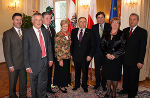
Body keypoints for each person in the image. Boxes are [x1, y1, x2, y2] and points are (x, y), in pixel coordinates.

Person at [24, 12, 53, 98]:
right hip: (33, 64)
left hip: (45, 61)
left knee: (43, 83)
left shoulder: (45, 31)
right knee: (34, 84)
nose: (39, 22)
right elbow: (25, 51)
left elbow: (48, 46)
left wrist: (50, 59)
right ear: (32, 21)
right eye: (36, 20)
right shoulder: (27, 33)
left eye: (40, 20)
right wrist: (27, 66)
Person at [118, 13, 147, 98]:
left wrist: (140, 61)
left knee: (133, 77)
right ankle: (125, 89)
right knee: (126, 76)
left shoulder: (142, 32)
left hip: (135, 60)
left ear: (137, 21)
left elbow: (143, 48)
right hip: (125, 59)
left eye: (134, 19)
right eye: (130, 19)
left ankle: (132, 93)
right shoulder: (125, 30)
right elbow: (121, 45)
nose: (131, 21)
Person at [3, 13, 27, 98]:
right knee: (12, 83)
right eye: (17, 20)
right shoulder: (7, 33)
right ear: (13, 21)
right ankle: (12, 96)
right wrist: (10, 65)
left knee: (23, 83)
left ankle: (23, 95)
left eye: (20, 19)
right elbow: (7, 51)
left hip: (24, 64)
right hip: (13, 64)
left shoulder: (25, 31)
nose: (19, 21)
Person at [101, 17, 125, 98]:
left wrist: (115, 55)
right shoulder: (106, 32)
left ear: (119, 24)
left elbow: (123, 47)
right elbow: (102, 45)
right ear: (110, 24)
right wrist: (106, 54)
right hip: (107, 58)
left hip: (117, 59)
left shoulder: (122, 33)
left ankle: (114, 90)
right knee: (108, 74)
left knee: (115, 75)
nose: (115, 24)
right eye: (113, 22)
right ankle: (108, 90)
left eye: (117, 22)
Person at [71, 17, 95, 92]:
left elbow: (93, 45)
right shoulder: (74, 31)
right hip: (76, 56)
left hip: (86, 56)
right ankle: (76, 85)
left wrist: (90, 55)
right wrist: (71, 54)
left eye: (84, 21)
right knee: (77, 71)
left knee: (85, 72)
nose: (82, 23)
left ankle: (84, 85)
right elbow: (72, 44)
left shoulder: (90, 32)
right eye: (81, 21)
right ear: (78, 23)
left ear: (86, 23)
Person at [92, 11, 111, 90]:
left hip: (106, 53)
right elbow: (92, 41)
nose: (100, 19)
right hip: (97, 53)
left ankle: (103, 84)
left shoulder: (109, 26)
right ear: (96, 19)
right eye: (98, 17)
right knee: (97, 70)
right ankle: (97, 84)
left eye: (102, 17)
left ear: (104, 18)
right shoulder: (94, 27)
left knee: (105, 70)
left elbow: (111, 40)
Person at [53, 19, 71, 93]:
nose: (65, 27)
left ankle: (64, 84)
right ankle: (61, 86)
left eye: (66, 26)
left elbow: (69, 45)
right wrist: (59, 59)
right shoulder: (58, 34)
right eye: (64, 26)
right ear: (61, 26)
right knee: (61, 72)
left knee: (65, 71)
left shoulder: (69, 34)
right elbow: (57, 48)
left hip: (67, 56)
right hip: (61, 57)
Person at [41, 12, 56, 94]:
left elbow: (53, 43)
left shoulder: (52, 29)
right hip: (43, 57)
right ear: (42, 19)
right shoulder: (40, 29)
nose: (49, 20)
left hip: (51, 56)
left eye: (50, 18)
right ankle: (42, 91)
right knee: (43, 76)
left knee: (50, 73)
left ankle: (48, 88)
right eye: (47, 18)